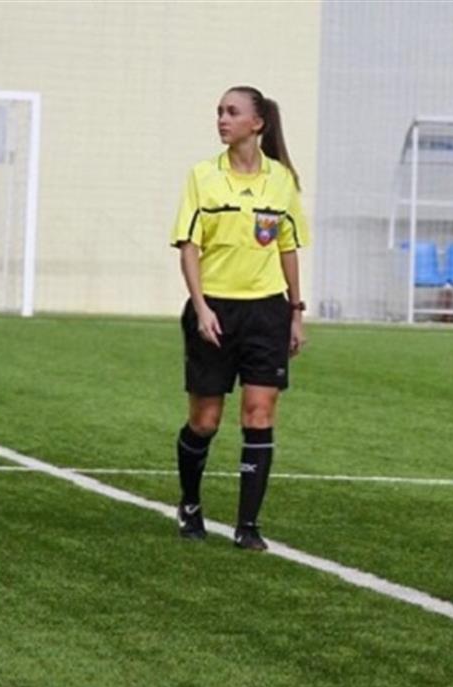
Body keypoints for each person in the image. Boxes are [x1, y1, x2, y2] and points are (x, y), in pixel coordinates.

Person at [170, 85, 311, 551]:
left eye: (232, 112)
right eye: (219, 112)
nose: (222, 120)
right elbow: (189, 247)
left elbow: (288, 247)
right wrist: (201, 307)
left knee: (259, 413)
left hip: (267, 312)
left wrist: (295, 312)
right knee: (205, 420)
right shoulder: (202, 176)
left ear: (258, 123)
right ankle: (190, 503)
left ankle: (248, 526)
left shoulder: (281, 180)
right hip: (215, 309)